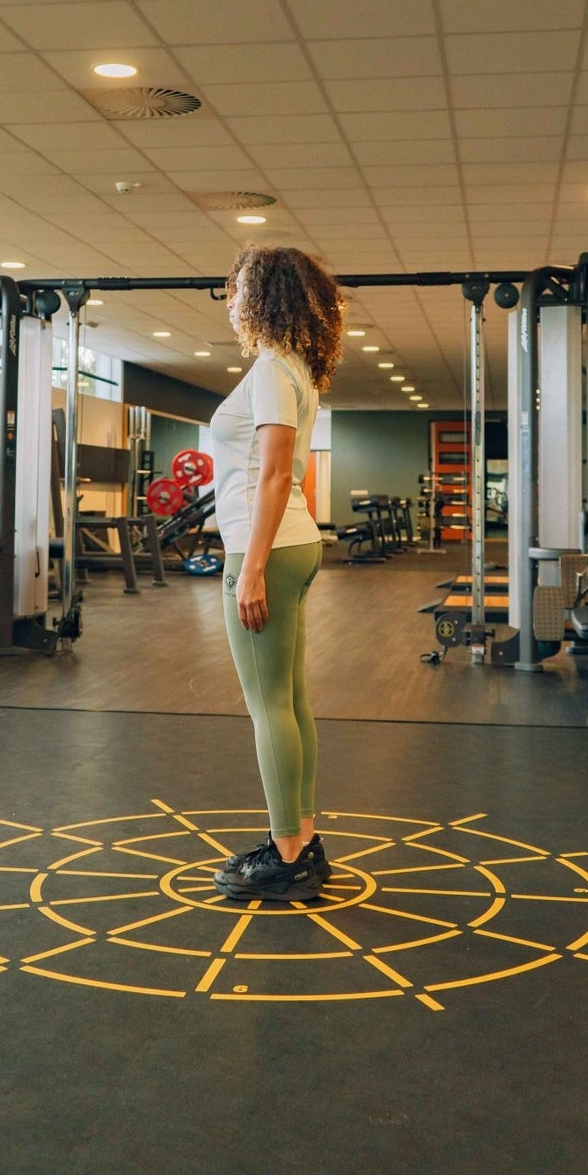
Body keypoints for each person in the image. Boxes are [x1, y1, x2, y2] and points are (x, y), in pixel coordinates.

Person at [208, 244, 345, 904]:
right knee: (290, 700)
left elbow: (270, 473)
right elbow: (286, 475)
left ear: (262, 296)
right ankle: (305, 838)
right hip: (295, 540)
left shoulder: (271, 368)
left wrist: (252, 569)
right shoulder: (296, 368)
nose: (229, 301)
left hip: (267, 546)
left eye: (234, 290)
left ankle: (287, 852)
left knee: (270, 708)